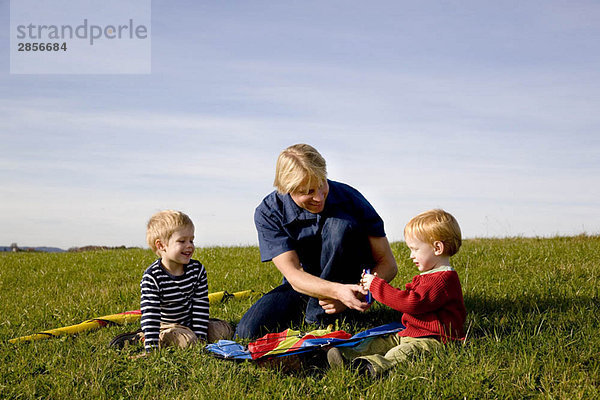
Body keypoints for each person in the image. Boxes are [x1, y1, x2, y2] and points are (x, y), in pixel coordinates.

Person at [235, 144, 398, 339]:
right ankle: (312, 314)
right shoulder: (269, 212)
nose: (319, 197)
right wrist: (336, 292)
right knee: (247, 332)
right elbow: (294, 274)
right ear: (287, 189)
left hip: (351, 284)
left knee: (340, 225)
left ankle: (321, 323)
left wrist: (360, 294)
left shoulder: (351, 199)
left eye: (322, 184)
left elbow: (388, 264)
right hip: (305, 287)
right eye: (308, 191)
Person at [326, 209, 466, 377]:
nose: (411, 255)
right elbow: (406, 297)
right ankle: (345, 355)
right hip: (411, 332)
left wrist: (378, 286)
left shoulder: (442, 280)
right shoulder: (430, 276)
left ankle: (369, 367)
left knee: (403, 353)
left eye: (415, 249)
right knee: (379, 342)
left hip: (433, 339)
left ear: (437, 248)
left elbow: (411, 303)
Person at [110, 210, 233, 353]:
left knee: (223, 331)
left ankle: (193, 335)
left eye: (191, 240)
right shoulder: (152, 277)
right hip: (166, 326)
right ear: (161, 246)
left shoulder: (197, 270)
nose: (190, 246)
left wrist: (201, 337)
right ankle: (141, 337)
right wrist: (152, 348)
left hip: (189, 323)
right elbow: (151, 314)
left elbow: (201, 305)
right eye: (182, 241)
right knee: (188, 341)